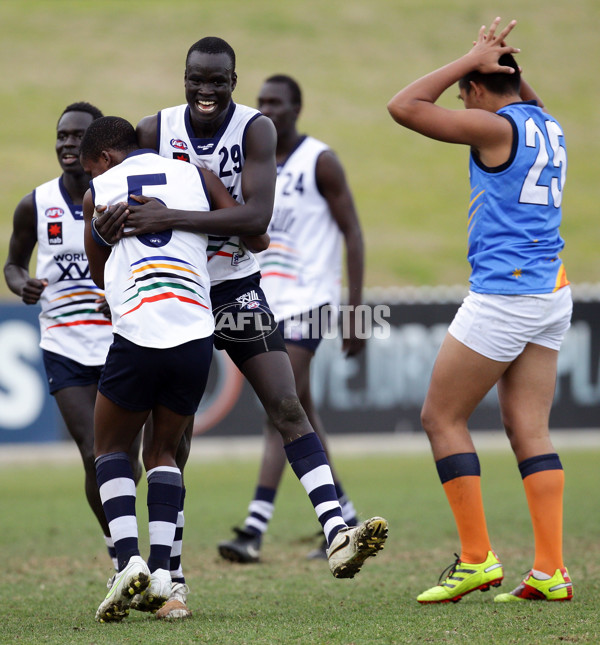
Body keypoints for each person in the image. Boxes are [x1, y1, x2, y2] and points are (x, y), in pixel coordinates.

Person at [93, 36, 388, 617]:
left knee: (286, 403)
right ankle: (170, 579)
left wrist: (172, 215)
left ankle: (335, 532)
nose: (206, 92)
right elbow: (118, 207)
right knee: (171, 441)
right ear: (183, 78)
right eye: (196, 80)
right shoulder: (155, 130)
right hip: (178, 290)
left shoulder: (257, 130)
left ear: (234, 80)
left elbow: (257, 222)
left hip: (236, 284)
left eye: (218, 81)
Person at [387, 17, 573, 604]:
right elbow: (522, 95)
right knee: (529, 428)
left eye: (465, 87)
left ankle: (476, 559)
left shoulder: (493, 128)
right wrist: (496, 64)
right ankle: (550, 571)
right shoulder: (549, 123)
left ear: (474, 89)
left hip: (505, 294)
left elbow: (405, 106)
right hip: (552, 291)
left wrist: (468, 58)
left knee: (441, 418)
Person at [80, 115, 239, 622]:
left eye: (91, 168)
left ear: (105, 159)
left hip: (138, 333)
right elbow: (247, 226)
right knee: (164, 451)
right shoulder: (193, 173)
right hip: (195, 333)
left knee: (108, 449)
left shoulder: (99, 191)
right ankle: (165, 575)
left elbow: (100, 276)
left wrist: (105, 240)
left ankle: (128, 564)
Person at [217, 74, 365, 564]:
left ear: (297, 108)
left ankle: (254, 530)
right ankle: (343, 516)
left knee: (278, 408)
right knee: (300, 406)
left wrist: (356, 312)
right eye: (260, 103)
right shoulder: (252, 167)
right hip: (263, 301)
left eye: (276, 102)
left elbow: (353, 233)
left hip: (312, 302)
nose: (267, 110)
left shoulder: (320, 161)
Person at [3, 102, 142, 575]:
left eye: (77, 136)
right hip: (63, 344)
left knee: (128, 461)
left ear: (97, 149)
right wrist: (21, 283)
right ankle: (121, 556)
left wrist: (120, 293)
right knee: (94, 452)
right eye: (61, 135)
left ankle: (130, 547)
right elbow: (14, 262)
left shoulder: (124, 199)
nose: (66, 143)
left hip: (121, 341)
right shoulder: (35, 204)